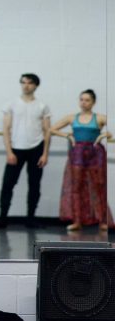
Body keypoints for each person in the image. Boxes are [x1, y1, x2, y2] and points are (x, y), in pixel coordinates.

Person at [0, 73, 51, 229]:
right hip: (16, 149)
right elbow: (6, 129)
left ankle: (30, 219)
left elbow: (47, 131)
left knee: (34, 185)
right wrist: (9, 152)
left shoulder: (42, 106)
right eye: (23, 82)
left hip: (37, 149)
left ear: (35, 85)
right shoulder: (11, 104)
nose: (26, 85)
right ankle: (2, 219)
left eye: (29, 83)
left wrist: (45, 154)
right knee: (7, 184)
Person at [50, 89, 113, 232]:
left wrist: (105, 134)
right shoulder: (72, 118)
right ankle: (77, 221)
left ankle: (102, 221)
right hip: (77, 153)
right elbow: (52, 129)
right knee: (76, 187)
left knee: (98, 186)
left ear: (93, 102)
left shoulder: (99, 118)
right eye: (81, 100)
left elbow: (110, 130)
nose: (84, 103)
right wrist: (68, 136)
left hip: (95, 153)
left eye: (87, 100)